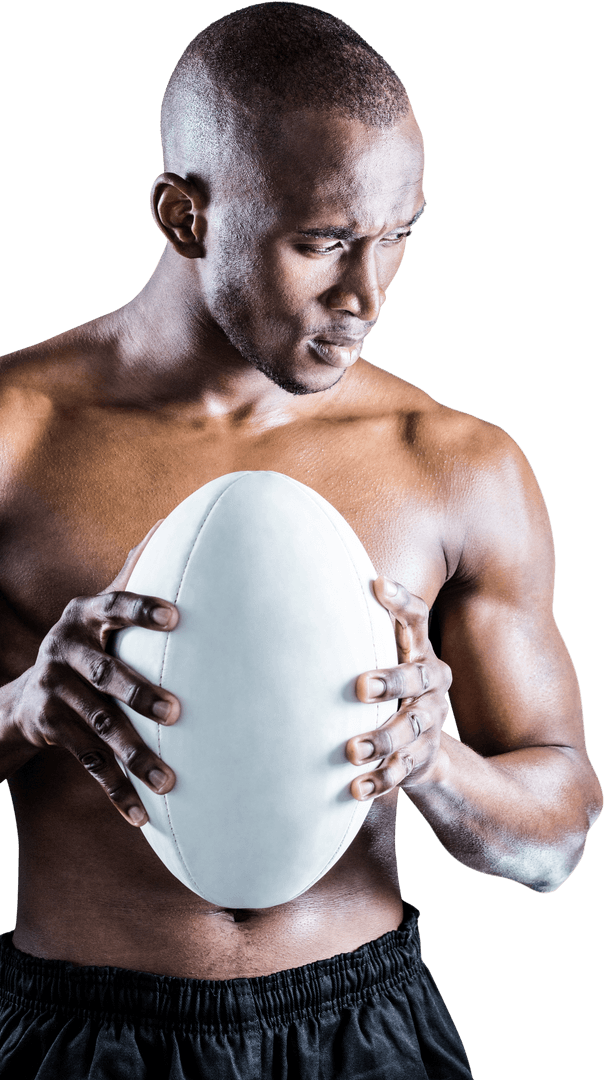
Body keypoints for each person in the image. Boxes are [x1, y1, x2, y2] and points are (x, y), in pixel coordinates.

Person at [0, 3, 600, 1077]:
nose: (365, 294)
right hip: (83, 1034)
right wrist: (22, 710)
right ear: (185, 216)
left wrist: (433, 760)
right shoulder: (14, 442)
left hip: (366, 1030)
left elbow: (557, 836)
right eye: (321, 243)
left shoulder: (453, 464)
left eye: (397, 236)